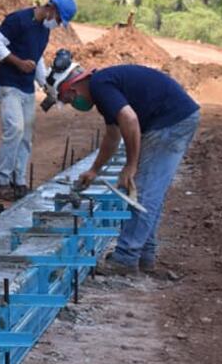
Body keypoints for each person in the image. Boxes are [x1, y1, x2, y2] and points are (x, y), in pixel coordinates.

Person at [54, 63, 200, 276]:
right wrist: (94, 170)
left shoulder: (100, 85)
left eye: (68, 99)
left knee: (143, 192)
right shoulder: (104, 88)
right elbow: (113, 136)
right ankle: (144, 257)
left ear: (72, 89)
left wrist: (130, 165)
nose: (73, 103)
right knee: (149, 192)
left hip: (170, 121)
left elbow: (130, 119)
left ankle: (125, 258)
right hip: (174, 118)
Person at [0, 0, 77, 201]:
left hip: (26, 88)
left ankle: (19, 181)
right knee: (15, 129)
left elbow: (36, 61)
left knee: (26, 136)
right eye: (58, 19)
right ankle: (0, 180)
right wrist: (17, 62)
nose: (56, 24)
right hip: (8, 84)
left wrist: (45, 85)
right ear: (50, 9)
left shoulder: (43, 31)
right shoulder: (18, 20)